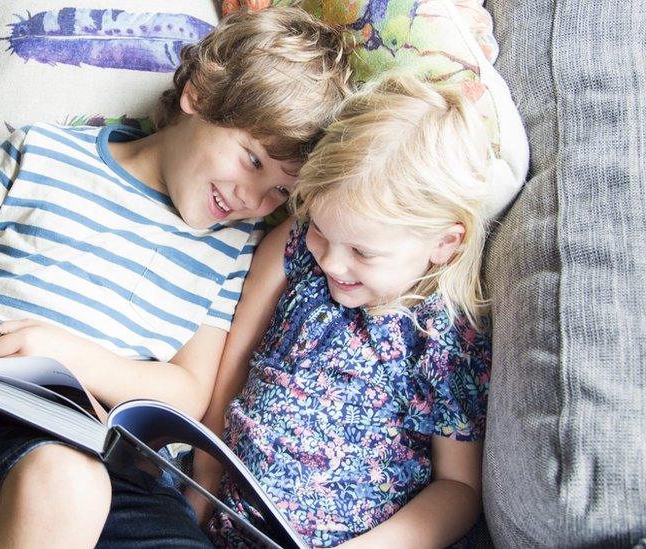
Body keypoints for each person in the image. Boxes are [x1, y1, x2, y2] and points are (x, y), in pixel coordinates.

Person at [0, 8, 352, 548]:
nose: (252, 200)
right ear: (200, 94)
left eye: (279, 192)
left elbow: (187, 392)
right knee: (68, 483)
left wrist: (77, 359)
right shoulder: (40, 153)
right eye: (252, 160)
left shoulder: (233, 248)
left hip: (127, 475)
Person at [187, 73, 493, 548]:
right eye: (322, 231)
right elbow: (234, 364)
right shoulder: (295, 246)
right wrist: (203, 478)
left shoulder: (444, 338)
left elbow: (459, 488)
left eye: (362, 253)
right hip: (222, 511)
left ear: (444, 244)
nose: (330, 260)